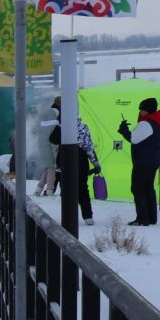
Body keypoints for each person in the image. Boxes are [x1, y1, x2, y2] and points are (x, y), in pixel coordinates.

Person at [38, 96, 100, 228]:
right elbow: (89, 147)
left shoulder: (63, 126)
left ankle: (68, 215)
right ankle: (88, 216)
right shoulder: (84, 127)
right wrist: (96, 164)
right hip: (81, 160)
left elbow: (53, 140)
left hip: (64, 159)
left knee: (65, 189)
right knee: (83, 188)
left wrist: (58, 127)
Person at [118, 98, 160, 225]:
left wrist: (124, 131)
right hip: (152, 160)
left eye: (142, 109)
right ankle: (151, 218)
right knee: (148, 188)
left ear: (147, 110)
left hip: (143, 161)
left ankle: (142, 219)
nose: (140, 111)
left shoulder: (146, 123)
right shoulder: (157, 122)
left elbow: (134, 139)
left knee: (138, 189)